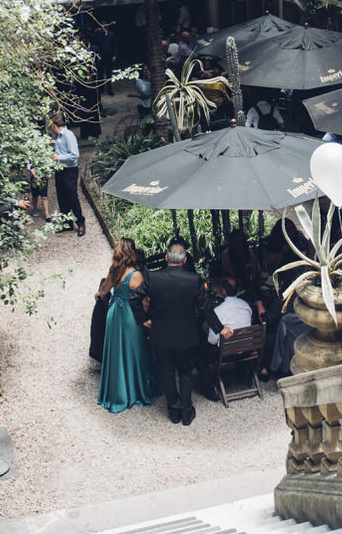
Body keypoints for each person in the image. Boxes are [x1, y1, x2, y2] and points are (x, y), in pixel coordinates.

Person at [145, 240, 227, 425]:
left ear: (166, 258)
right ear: (184, 261)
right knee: (185, 372)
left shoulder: (152, 278)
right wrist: (220, 329)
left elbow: (135, 298)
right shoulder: (193, 280)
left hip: (161, 335)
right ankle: (187, 413)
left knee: (167, 372)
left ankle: (173, 412)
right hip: (185, 335)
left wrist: (144, 319)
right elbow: (205, 307)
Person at [97, 239, 158, 412]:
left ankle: (118, 391)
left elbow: (104, 289)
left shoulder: (114, 270)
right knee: (137, 350)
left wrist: (99, 294)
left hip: (114, 313)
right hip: (130, 314)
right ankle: (136, 390)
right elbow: (143, 302)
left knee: (117, 351)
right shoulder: (135, 275)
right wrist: (150, 317)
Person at [50, 116, 83, 236]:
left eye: (51, 128)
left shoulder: (68, 135)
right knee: (61, 196)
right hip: (60, 169)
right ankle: (67, 223)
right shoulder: (58, 136)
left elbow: (75, 155)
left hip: (69, 170)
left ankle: (80, 222)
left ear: (54, 126)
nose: (51, 131)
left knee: (72, 196)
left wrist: (58, 157)